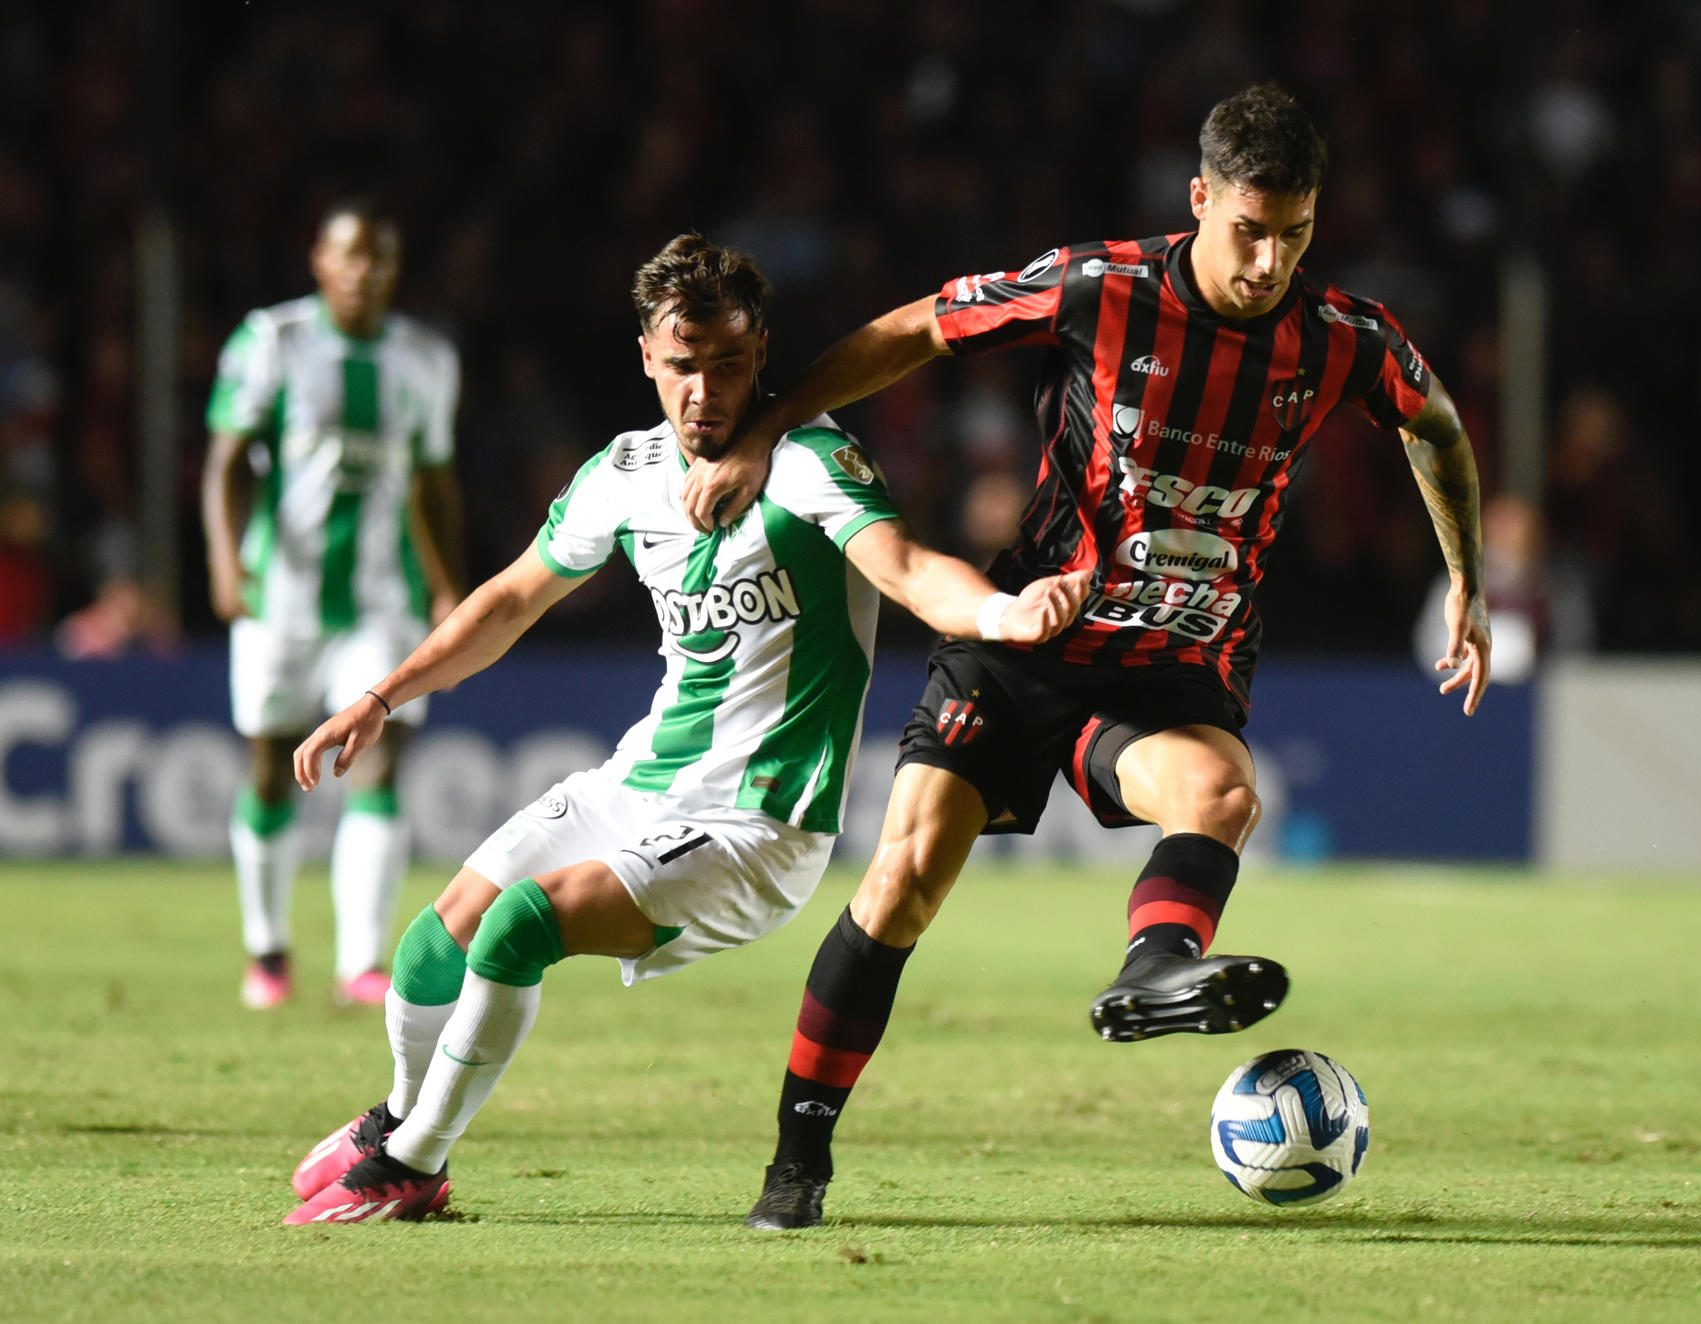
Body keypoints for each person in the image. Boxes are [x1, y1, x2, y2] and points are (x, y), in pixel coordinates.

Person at [678, 83, 1493, 1229]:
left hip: (1174, 669)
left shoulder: (1343, 341)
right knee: (903, 882)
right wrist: (764, 431)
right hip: (1031, 631)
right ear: (1201, 198)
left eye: (1295, 235)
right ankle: (797, 1162)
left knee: (1220, 792)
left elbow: (1437, 423)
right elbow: (914, 327)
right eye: (1249, 231)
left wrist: (1465, 575)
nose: (1268, 262)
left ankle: (1157, 965)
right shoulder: (1099, 286)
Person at [277, 234, 1089, 1225]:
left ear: (760, 355)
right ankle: (400, 1117)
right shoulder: (626, 471)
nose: (705, 390)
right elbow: (508, 599)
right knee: (428, 948)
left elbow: (910, 570)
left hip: (762, 823)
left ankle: (414, 1161)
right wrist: (378, 696)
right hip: (641, 783)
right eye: (684, 365)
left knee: (525, 921)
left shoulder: (812, 463)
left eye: (729, 363)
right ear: (646, 358)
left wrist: (1005, 613)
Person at [201, 201, 465, 1009]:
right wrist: (223, 558)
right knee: (271, 767)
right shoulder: (272, 342)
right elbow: (225, 461)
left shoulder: (424, 359)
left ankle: (361, 962)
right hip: (279, 594)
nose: (365, 272)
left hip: (382, 600)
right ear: (319, 259)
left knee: (379, 759)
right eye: (350, 256)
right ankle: (269, 951)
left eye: (380, 258)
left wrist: (448, 582)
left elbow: (432, 481)